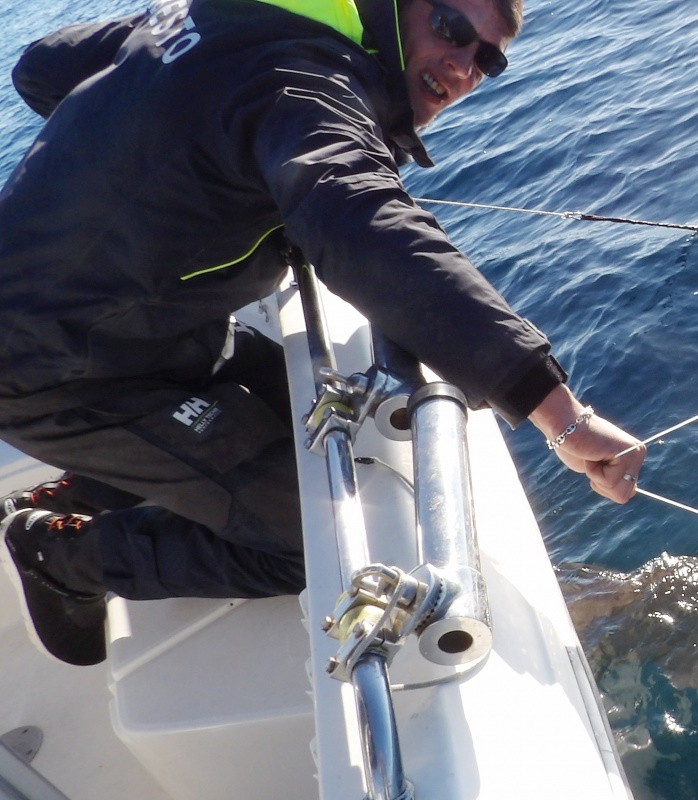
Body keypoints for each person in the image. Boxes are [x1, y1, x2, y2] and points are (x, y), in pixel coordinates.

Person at [0, 0, 646, 667]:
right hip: (52, 369)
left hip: (148, 330)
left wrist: (178, 166)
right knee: (327, 539)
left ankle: (94, 487)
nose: (461, 67)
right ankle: (59, 555)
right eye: (451, 29)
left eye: (486, 60)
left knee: (322, 433)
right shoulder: (305, 86)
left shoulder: (231, 14)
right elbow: (364, 227)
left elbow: (43, 66)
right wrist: (559, 414)